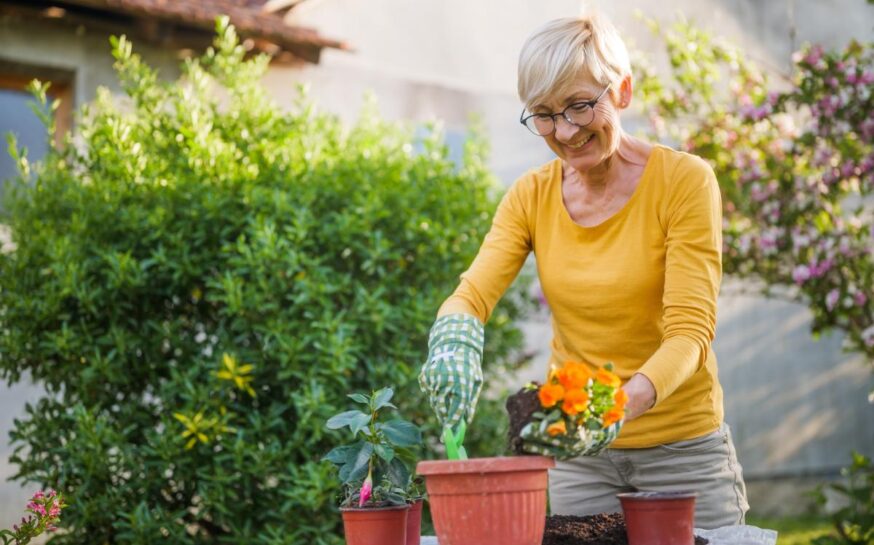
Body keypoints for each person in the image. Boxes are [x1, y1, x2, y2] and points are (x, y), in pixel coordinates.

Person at [418, 11, 749, 529]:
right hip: (580, 460)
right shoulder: (531, 195)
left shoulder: (684, 182)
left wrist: (615, 408)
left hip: (681, 452)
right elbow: (473, 293)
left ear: (622, 92)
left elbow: (690, 333)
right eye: (544, 114)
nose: (566, 131)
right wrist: (452, 338)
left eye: (579, 106)